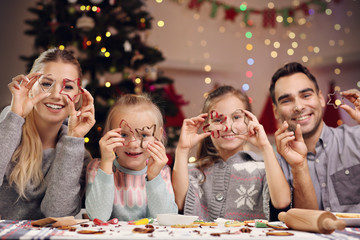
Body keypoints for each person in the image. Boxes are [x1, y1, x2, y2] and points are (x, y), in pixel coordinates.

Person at [0, 48, 96, 220]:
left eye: (67, 87)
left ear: (77, 96)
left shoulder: (78, 156)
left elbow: (57, 214)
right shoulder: (6, 130)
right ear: (29, 87)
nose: (55, 95)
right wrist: (14, 118)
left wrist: (73, 140)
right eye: (46, 83)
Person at [172, 85, 291, 222]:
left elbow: (282, 202)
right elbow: (178, 204)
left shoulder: (264, 168)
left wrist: (265, 146)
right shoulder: (193, 171)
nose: (228, 127)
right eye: (218, 120)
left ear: (249, 121)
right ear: (206, 125)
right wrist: (182, 150)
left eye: (236, 117)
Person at [270, 62, 360, 212]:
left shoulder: (356, 139)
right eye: (286, 100)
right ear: (276, 112)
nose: (298, 107)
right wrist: (298, 167)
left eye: (306, 95)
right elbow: (304, 224)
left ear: (321, 98)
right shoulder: (275, 167)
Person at [85, 94, 178, 221]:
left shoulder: (162, 172)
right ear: (108, 135)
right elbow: (97, 217)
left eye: (144, 135)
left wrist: (154, 177)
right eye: (123, 134)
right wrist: (106, 164)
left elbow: (167, 219)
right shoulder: (97, 168)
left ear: (158, 135)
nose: (133, 144)